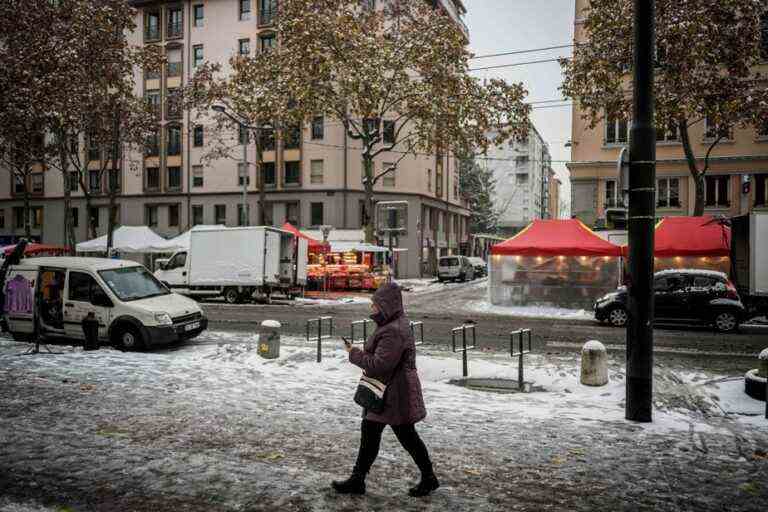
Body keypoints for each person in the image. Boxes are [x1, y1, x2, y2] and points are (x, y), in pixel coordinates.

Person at [333, 283, 439, 497]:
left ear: (386, 305)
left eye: (375, 304)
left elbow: (380, 365)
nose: (372, 307)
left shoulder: (393, 331)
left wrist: (354, 353)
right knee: (372, 433)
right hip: (388, 392)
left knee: (406, 436)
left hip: (393, 394)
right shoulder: (392, 325)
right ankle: (358, 479)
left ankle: (428, 478)